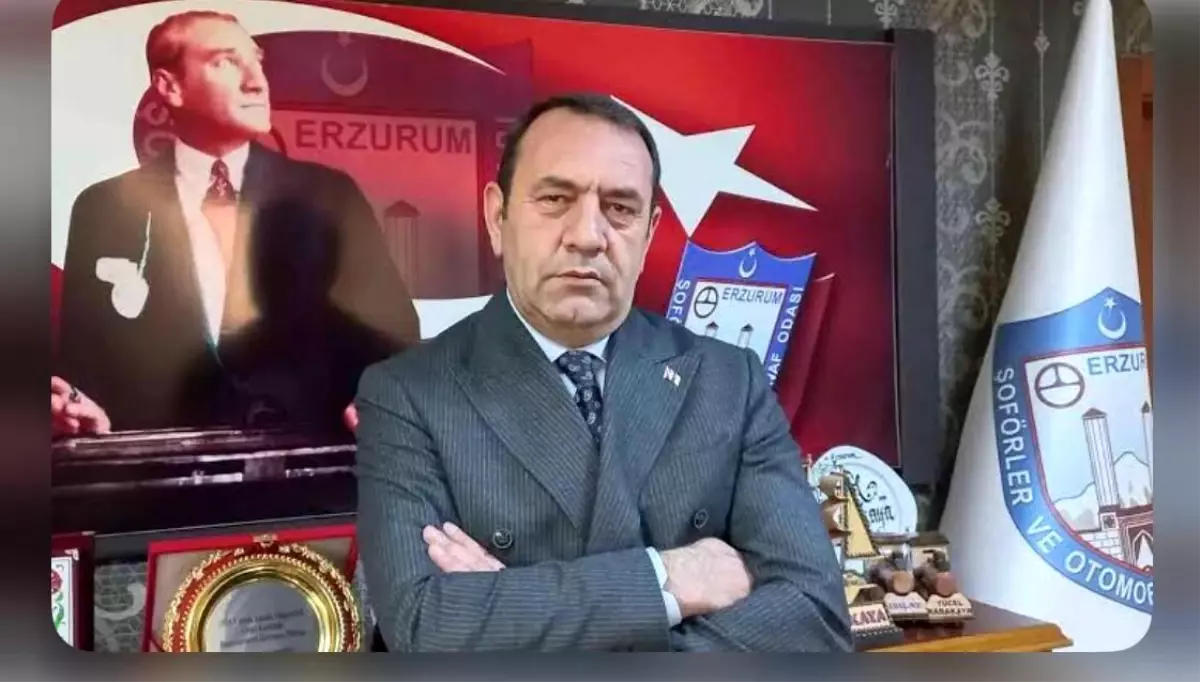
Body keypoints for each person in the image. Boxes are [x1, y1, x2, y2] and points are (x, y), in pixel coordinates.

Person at [355, 93, 852, 652]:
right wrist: (669, 579)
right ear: (497, 217)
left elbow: (814, 615)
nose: (588, 235)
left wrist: (517, 615)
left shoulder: (730, 382)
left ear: (649, 232)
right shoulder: (408, 394)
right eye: (555, 199)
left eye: (619, 208)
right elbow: (424, 625)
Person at [52, 10, 419, 437]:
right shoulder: (102, 208)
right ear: (169, 87)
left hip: (311, 467)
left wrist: (381, 395)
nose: (256, 82)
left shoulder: (331, 196)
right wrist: (80, 410)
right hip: (159, 470)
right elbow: (83, 362)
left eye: (256, 61)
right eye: (226, 61)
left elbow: (395, 336)